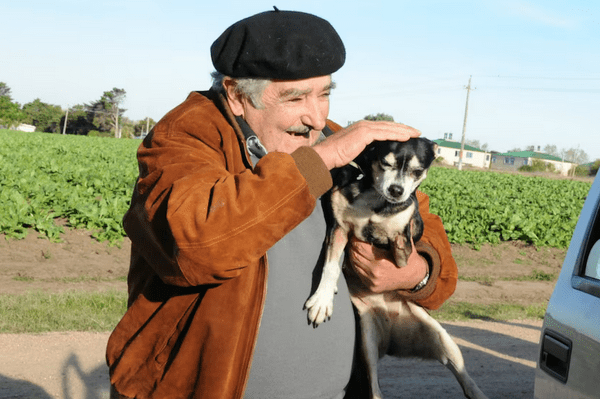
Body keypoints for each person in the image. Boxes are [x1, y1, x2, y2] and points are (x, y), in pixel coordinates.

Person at [107, 8, 458, 399]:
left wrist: (413, 273)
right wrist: (319, 162)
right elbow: (196, 246)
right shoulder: (185, 138)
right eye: (296, 97)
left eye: (324, 93)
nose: (316, 117)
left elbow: (422, 222)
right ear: (238, 95)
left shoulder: (329, 138)